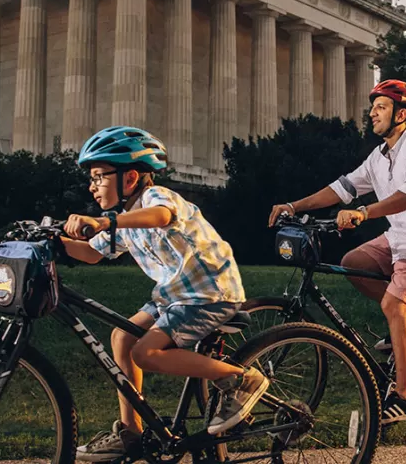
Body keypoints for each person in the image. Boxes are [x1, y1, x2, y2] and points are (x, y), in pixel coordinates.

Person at [59, 126, 264, 462]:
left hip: (208, 292)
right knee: (121, 337)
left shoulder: (157, 199)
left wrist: (103, 222)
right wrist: (56, 241)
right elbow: (93, 253)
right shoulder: (125, 219)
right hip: (174, 295)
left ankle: (241, 379)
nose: (92, 186)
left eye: (99, 176)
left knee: (145, 354)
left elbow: (161, 217)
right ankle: (131, 433)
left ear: (129, 179)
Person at [269, 79, 406, 425]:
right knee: (354, 263)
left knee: (394, 304)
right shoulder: (379, 156)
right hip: (400, 237)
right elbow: (343, 188)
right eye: (372, 107)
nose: (372, 113)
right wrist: (293, 205)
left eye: (381, 107)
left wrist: (365, 212)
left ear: (401, 114)